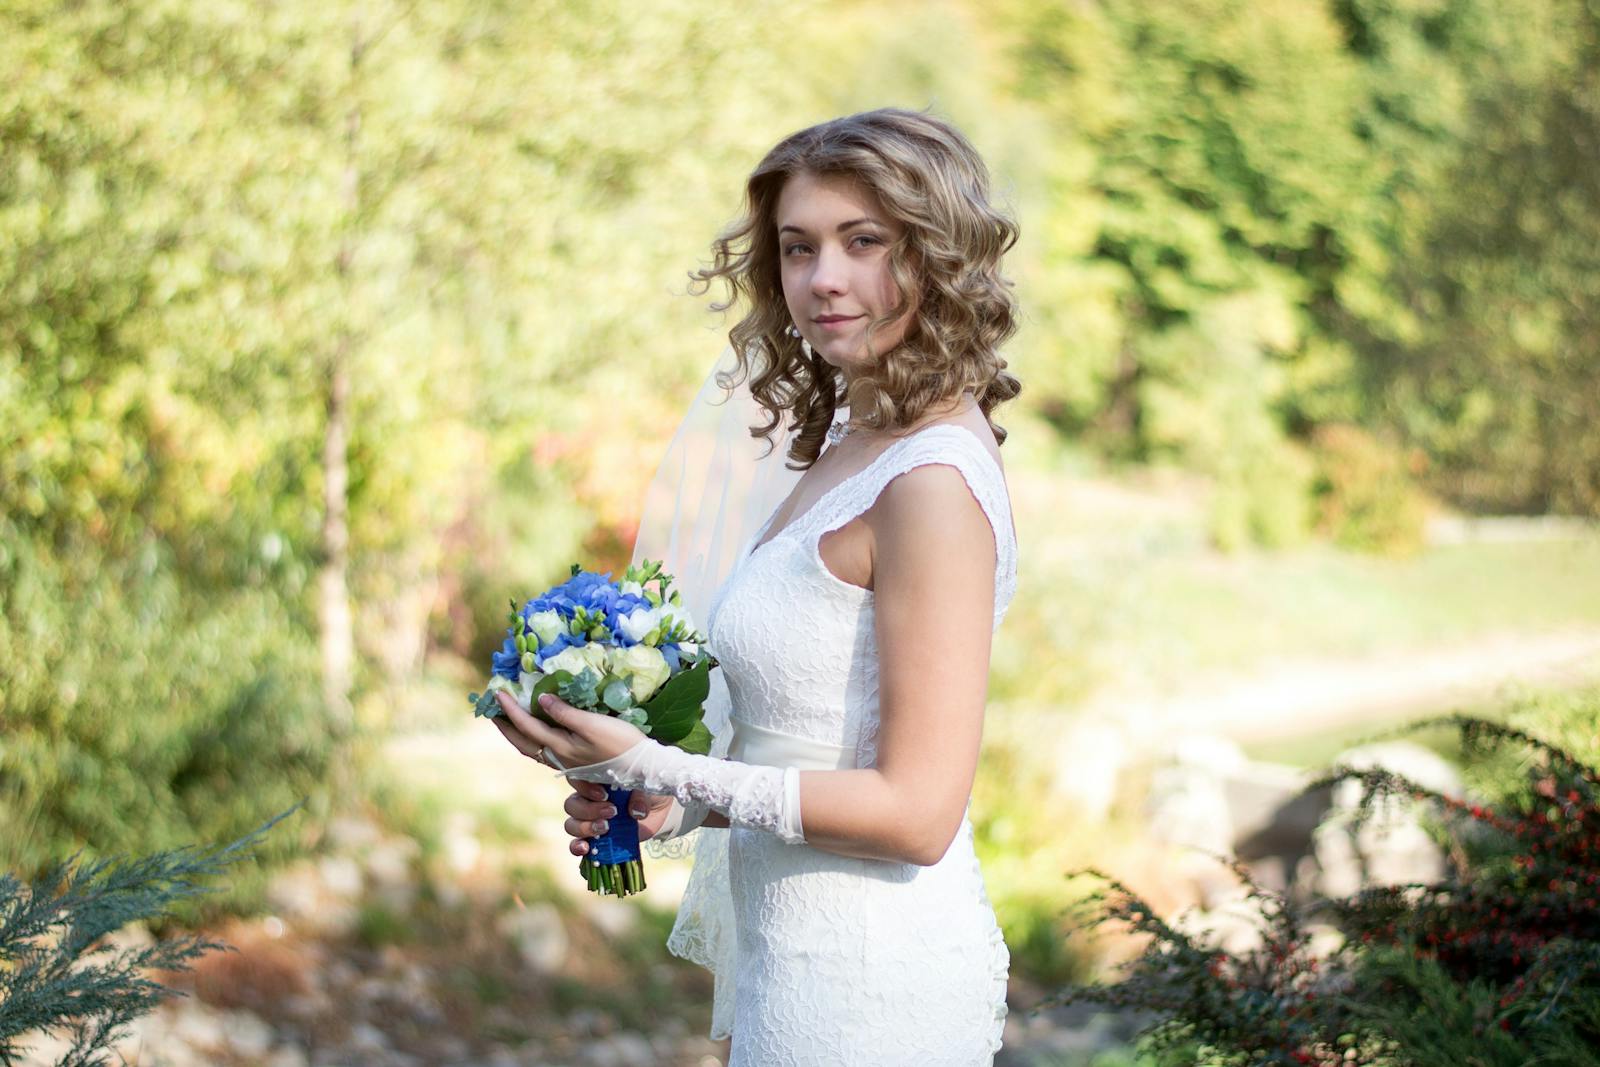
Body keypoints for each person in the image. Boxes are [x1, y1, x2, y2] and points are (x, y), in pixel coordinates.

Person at [491, 106, 1022, 1065]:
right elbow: (813, 744)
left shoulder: (932, 483)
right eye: (797, 246)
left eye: (865, 242)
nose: (824, 278)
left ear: (938, 255)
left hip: (873, 984)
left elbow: (916, 812)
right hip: (793, 965)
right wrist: (677, 807)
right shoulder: (855, 447)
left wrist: (660, 766)